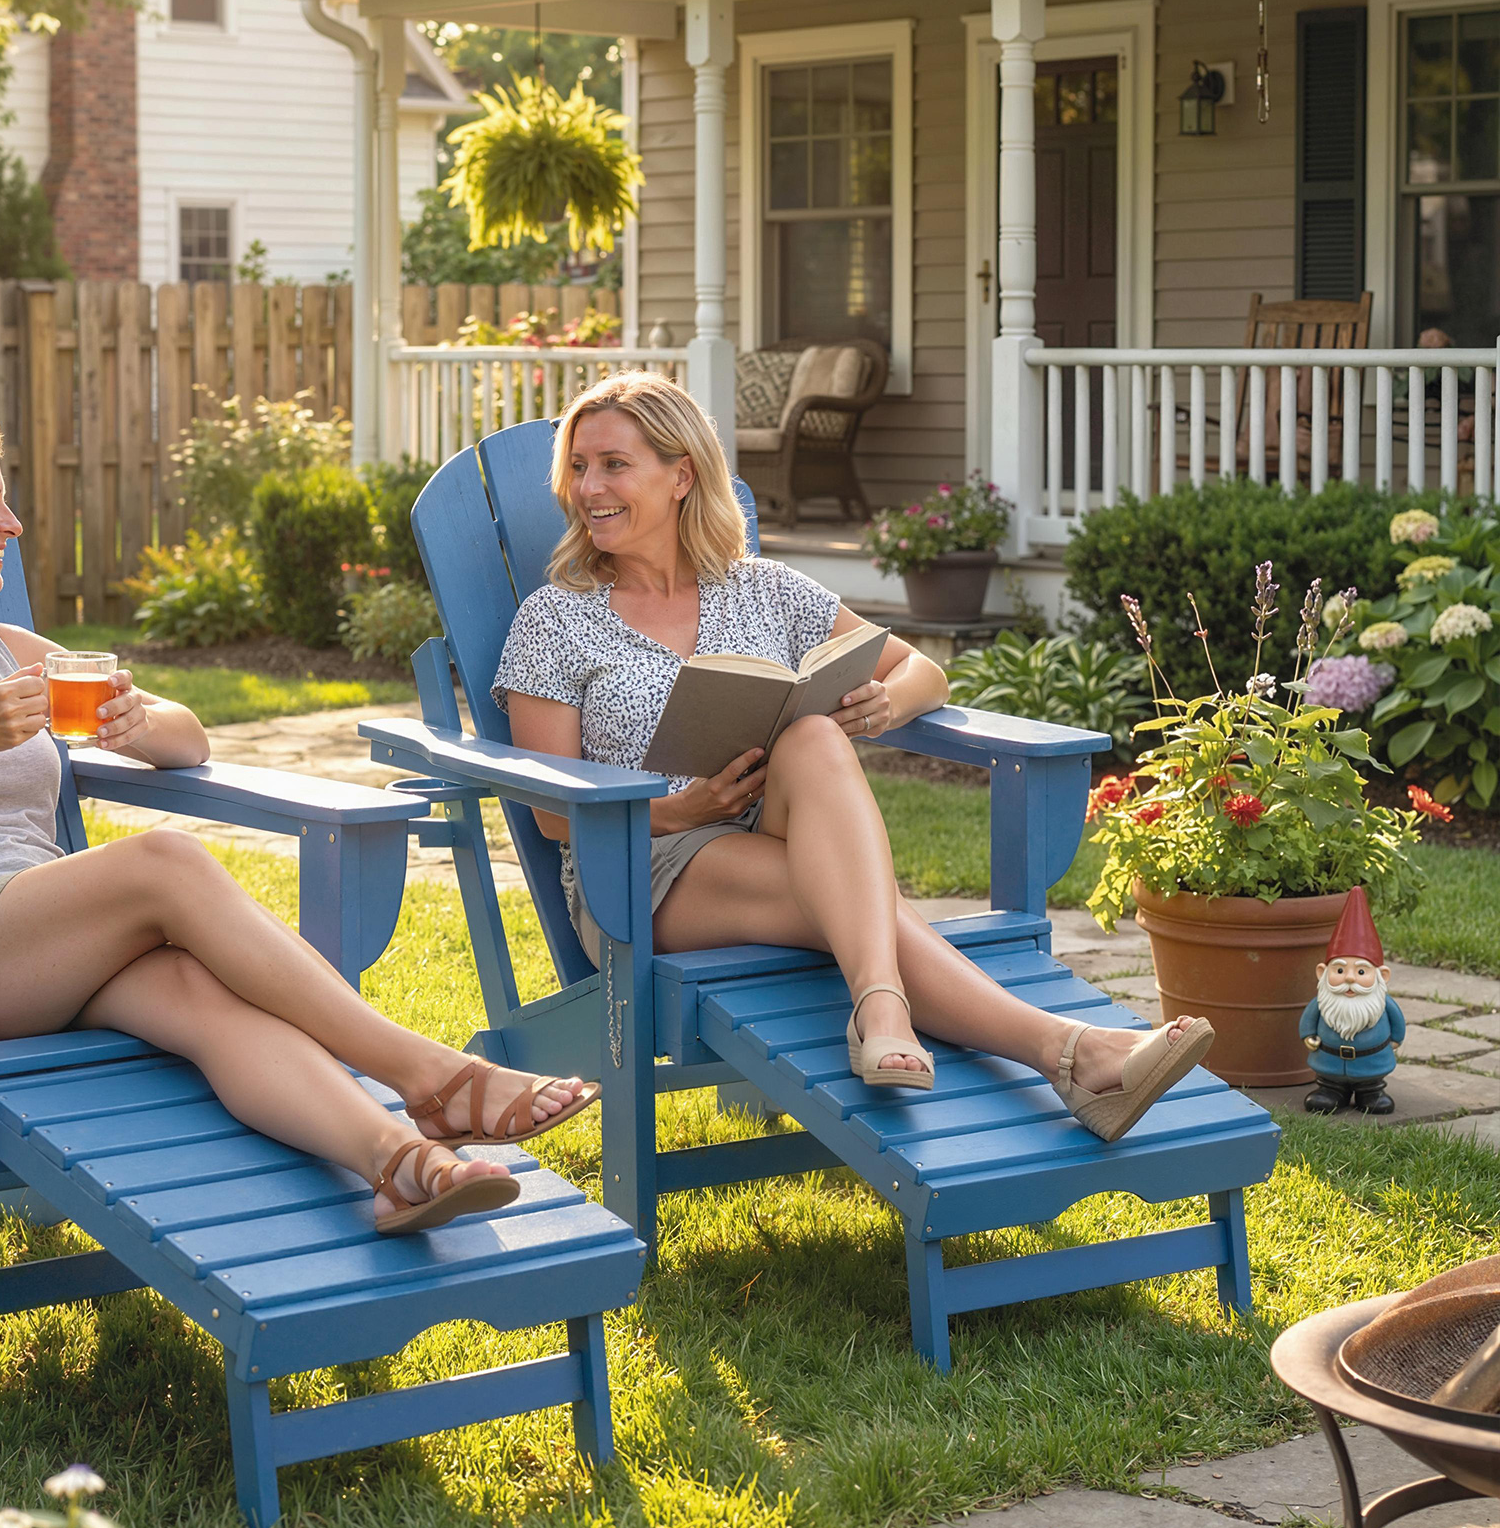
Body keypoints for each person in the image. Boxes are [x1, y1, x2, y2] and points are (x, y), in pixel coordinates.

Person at [0, 406, 596, 1235]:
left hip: (41, 941)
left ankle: (403, 1163)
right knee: (163, 861)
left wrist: (139, 724)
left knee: (202, 996)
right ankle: (433, 1076)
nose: (10, 525)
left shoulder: (3, 649)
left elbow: (187, 732)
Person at [493, 373, 1214, 1142]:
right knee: (853, 899)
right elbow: (550, 814)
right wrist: (684, 808)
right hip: (638, 868)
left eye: (612, 465)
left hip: (766, 829)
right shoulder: (556, 618)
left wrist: (890, 703)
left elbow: (920, 669)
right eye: (577, 467)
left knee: (813, 736)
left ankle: (919, 1016)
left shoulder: (764, 589)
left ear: (682, 475)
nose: (587, 488)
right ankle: (1061, 1049)